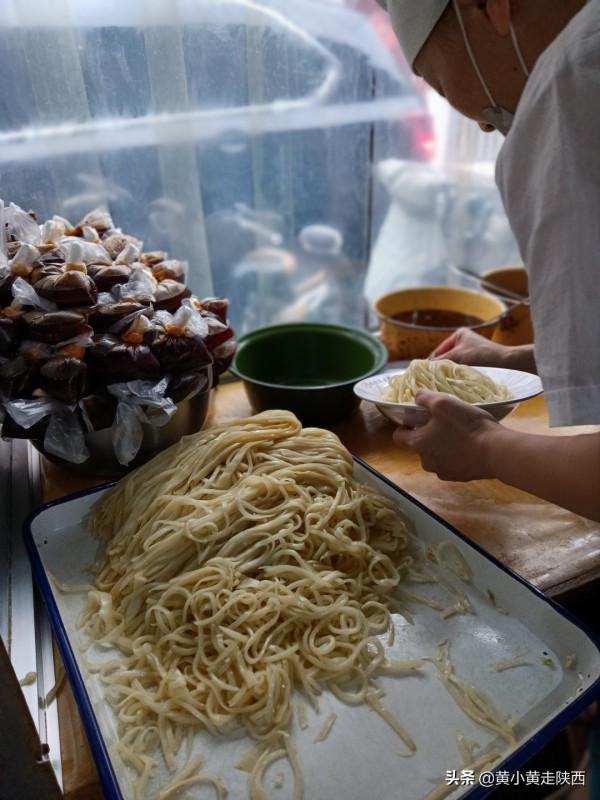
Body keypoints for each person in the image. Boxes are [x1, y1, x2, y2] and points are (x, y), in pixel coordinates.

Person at [376, 0, 600, 522]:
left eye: (437, 83)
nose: (477, 124)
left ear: (491, 7)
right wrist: (514, 360)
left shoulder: (575, 85)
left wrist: (485, 448)